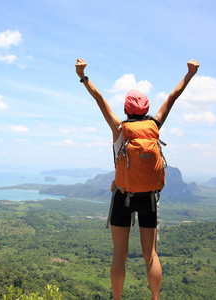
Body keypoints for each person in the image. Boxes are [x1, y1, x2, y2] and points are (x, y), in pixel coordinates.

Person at [75, 58, 200, 300]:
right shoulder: (155, 126)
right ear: (146, 109)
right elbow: (173, 97)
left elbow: (99, 99)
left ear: (126, 109)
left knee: (119, 254)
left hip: (123, 195)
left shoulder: (120, 128)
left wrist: (83, 76)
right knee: (150, 254)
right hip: (149, 198)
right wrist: (190, 74)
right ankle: (155, 298)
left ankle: (118, 298)